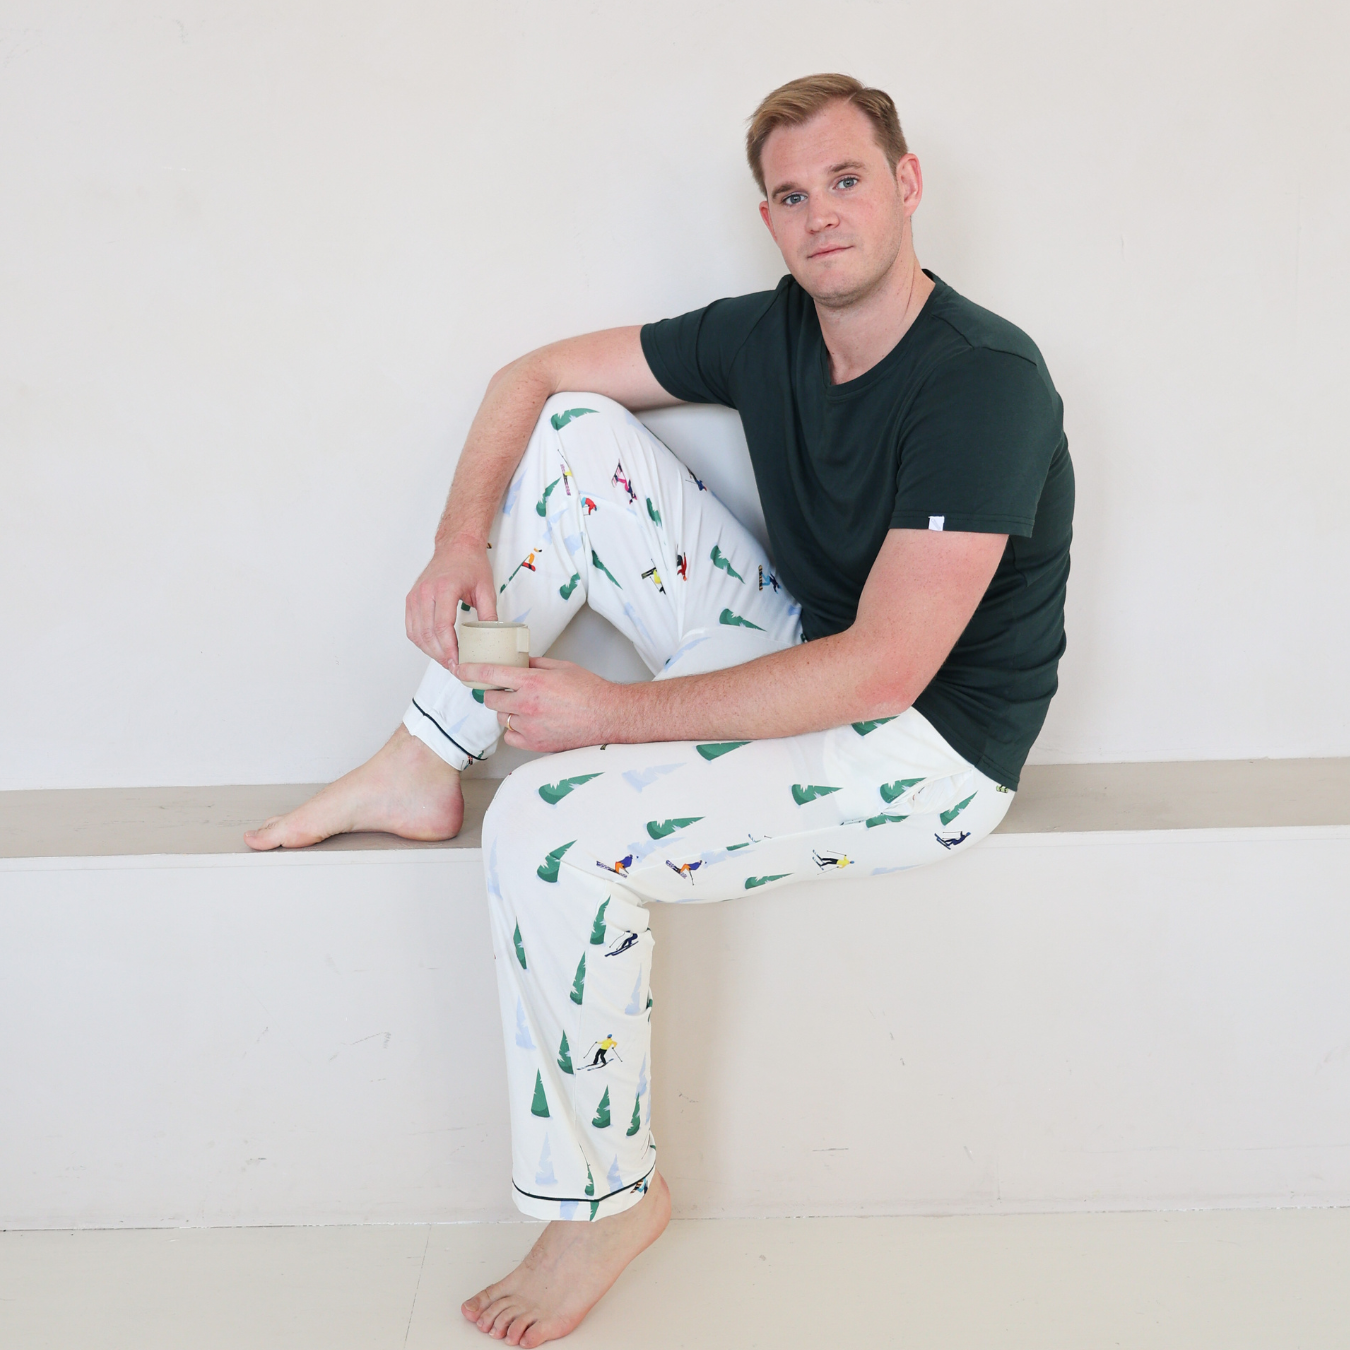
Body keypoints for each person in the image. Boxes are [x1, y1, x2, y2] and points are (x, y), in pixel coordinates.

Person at [245, 72, 1074, 1348]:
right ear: (767, 218)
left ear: (907, 186)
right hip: (812, 647)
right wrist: (459, 537)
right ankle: (423, 755)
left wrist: (608, 715)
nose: (821, 215)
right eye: (790, 196)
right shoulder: (768, 333)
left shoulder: (986, 381)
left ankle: (608, 1203)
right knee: (579, 435)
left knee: (546, 824)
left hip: (929, 748)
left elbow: (885, 672)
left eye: (847, 180)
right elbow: (532, 375)